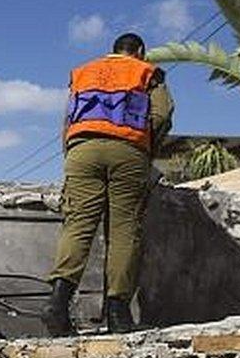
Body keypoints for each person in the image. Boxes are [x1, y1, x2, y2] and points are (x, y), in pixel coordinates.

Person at [41, 33, 174, 335]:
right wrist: (145, 147)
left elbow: (67, 119)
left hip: (82, 150)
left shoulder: (83, 71)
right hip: (128, 151)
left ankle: (57, 306)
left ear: (113, 50)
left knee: (77, 225)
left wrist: (72, 152)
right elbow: (163, 114)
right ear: (139, 51)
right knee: (124, 229)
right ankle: (118, 315)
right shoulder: (147, 71)